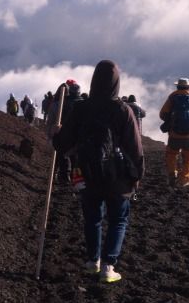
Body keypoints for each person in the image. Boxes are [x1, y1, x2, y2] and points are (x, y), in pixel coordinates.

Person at [53, 60, 143, 283]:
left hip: (87, 172)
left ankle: (92, 261)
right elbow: (135, 147)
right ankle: (108, 266)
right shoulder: (124, 110)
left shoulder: (81, 108)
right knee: (118, 220)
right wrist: (137, 177)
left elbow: (63, 144)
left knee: (92, 218)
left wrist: (57, 134)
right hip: (117, 178)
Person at [159, 78, 189, 187]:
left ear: (177, 86)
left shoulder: (172, 97)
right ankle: (184, 180)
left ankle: (172, 174)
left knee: (171, 154)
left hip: (174, 134)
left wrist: (171, 119)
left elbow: (162, 114)